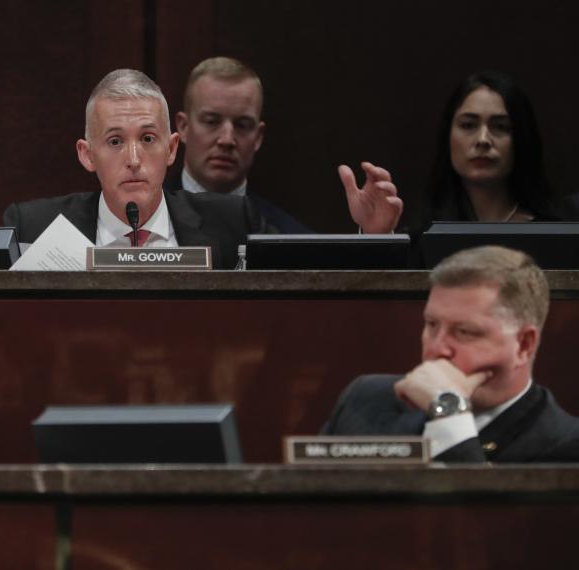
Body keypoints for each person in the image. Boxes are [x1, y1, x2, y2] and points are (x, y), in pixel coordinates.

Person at [3, 69, 401, 269]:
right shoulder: (35, 227)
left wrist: (374, 236)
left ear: (172, 147)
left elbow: (313, 283)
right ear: (86, 154)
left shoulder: (229, 221)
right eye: (114, 141)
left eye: (147, 138)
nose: (134, 159)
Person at [322, 245, 579, 462]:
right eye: (432, 325)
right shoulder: (366, 400)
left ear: (524, 345)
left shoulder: (566, 445)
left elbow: (486, 522)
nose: (437, 348)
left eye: (465, 332)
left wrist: (449, 413)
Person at [167, 56, 402, 234]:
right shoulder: (139, 222)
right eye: (212, 121)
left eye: (242, 125)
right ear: (183, 127)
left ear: (258, 137)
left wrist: (375, 238)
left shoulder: (289, 235)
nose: (227, 139)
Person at [421, 71, 565, 226]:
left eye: (501, 127)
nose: (483, 140)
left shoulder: (553, 235)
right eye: (468, 125)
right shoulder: (422, 237)